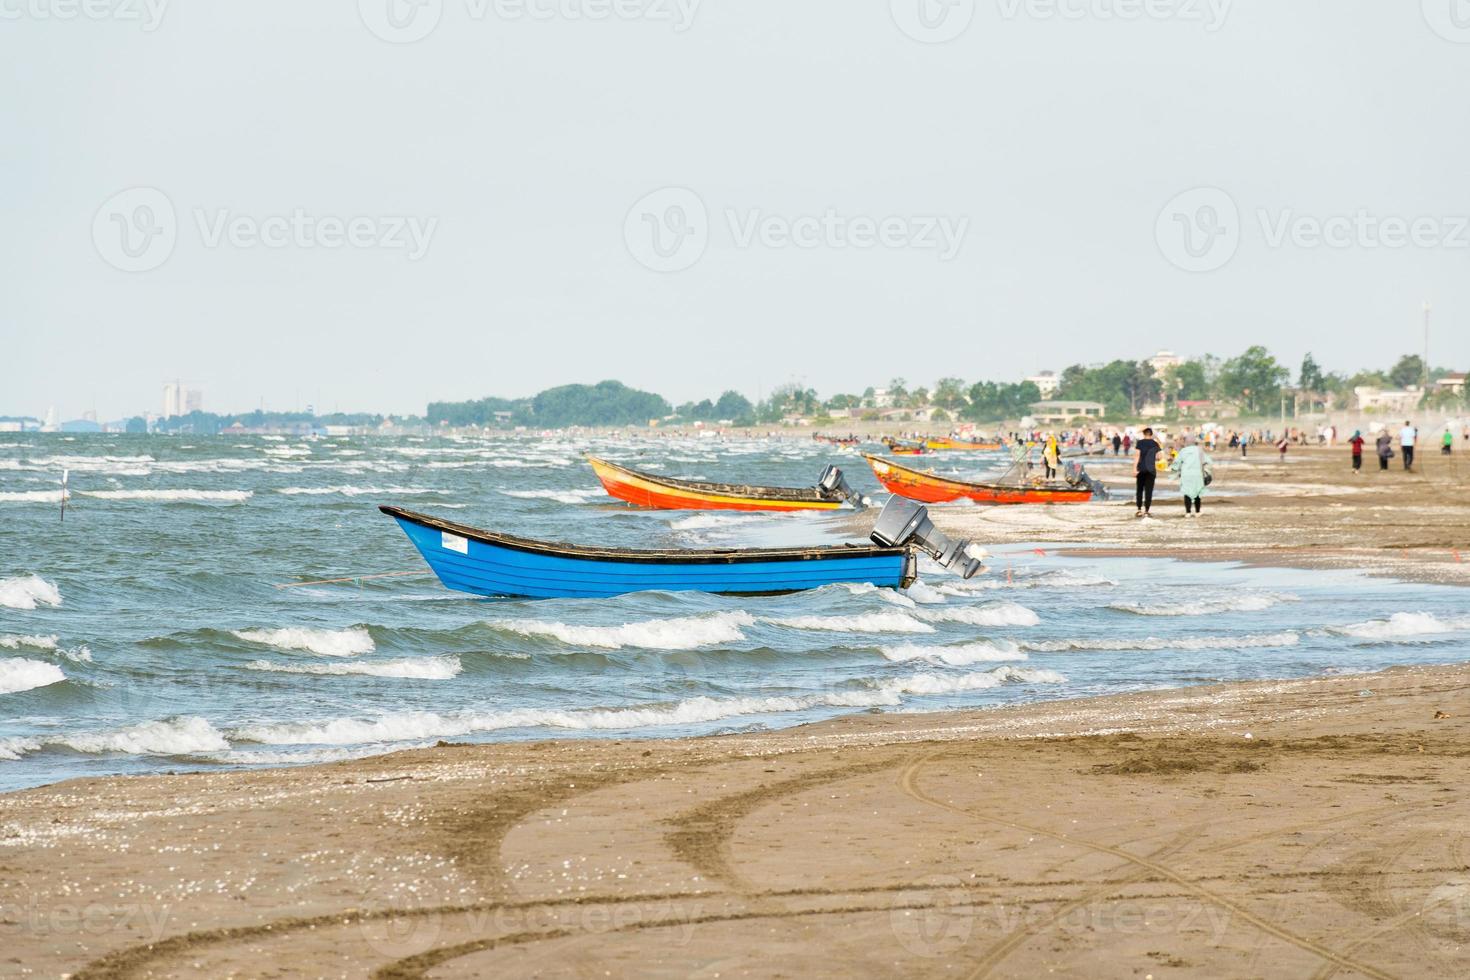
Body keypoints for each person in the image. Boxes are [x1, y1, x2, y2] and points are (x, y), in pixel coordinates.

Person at [1170, 435, 1212, 516]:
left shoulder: (1183, 451)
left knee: (1187, 492)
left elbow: (1177, 463)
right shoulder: (1199, 450)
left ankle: (1188, 512)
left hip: (1186, 475)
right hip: (1197, 474)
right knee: (1197, 492)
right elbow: (1208, 461)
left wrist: (1174, 470)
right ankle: (1197, 512)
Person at [1133, 426, 1161, 518]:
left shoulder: (1140, 443)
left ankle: (1139, 510)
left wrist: (1134, 469)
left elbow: (1137, 456)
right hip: (1151, 470)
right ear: (1151, 434)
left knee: (1139, 490)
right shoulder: (1155, 443)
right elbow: (1159, 457)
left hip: (1141, 469)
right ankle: (1147, 511)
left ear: (1143, 434)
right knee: (1149, 490)